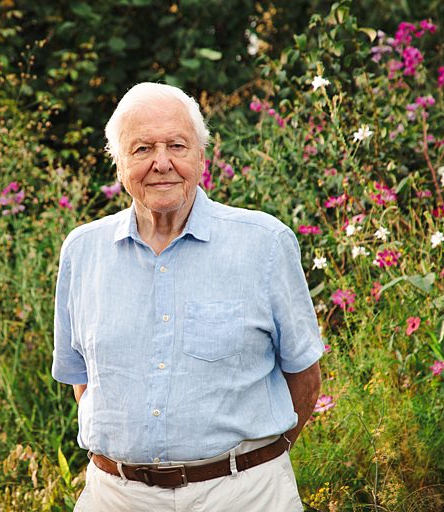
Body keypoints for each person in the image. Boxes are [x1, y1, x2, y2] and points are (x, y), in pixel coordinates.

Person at [52, 82, 323, 511]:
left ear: (201, 157)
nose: (162, 163)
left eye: (177, 146)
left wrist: (254, 467)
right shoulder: (82, 251)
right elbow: (85, 381)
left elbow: (305, 378)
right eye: (142, 149)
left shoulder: (265, 244)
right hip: (117, 497)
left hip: (244, 495)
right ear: (118, 163)